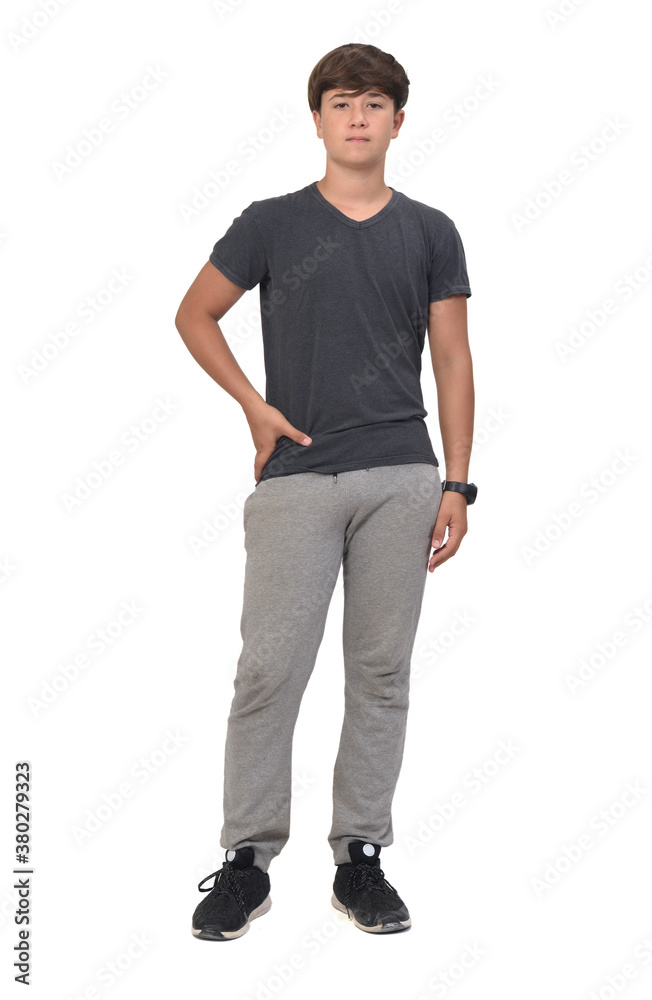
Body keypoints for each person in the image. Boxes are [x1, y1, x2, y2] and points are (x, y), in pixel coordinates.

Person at [175, 41, 476, 940]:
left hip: (400, 475)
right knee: (269, 669)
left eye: (374, 104)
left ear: (395, 121)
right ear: (317, 118)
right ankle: (245, 861)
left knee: (379, 672)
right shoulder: (271, 223)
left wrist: (456, 482)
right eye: (341, 101)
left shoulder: (429, 229)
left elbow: (454, 358)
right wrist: (253, 406)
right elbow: (195, 313)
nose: (356, 116)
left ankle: (361, 859)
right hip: (296, 476)